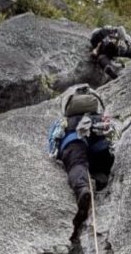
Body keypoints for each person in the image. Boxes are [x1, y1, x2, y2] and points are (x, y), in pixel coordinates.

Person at [48, 84, 116, 217]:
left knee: (77, 163)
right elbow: (110, 138)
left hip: (73, 138)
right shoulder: (98, 118)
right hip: (97, 141)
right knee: (101, 161)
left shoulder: (64, 122)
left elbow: (53, 142)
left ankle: (82, 189)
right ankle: (101, 176)